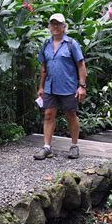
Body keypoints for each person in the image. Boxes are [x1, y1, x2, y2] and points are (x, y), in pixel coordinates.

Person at [34, 13, 87, 160]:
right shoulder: (46, 44)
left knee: (70, 115)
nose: (55, 27)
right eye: (53, 24)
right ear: (50, 27)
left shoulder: (71, 43)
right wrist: (41, 87)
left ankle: (74, 146)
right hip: (50, 87)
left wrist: (82, 86)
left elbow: (81, 65)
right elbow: (43, 67)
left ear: (64, 26)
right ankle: (47, 148)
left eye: (58, 24)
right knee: (49, 114)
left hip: (68, 87)